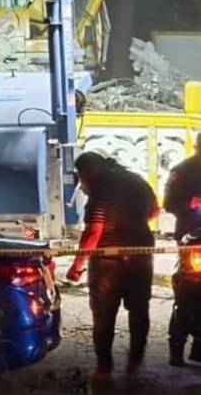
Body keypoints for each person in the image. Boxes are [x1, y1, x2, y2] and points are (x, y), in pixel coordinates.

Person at [65, 152, 158, 384]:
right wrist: (133, 222)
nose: (82, 184)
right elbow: (155, 211)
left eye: (81, 178)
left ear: (87, 173)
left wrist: (77, 266)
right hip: (141, 256)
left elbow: (94, 231)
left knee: (104, 315)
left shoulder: (101, 189)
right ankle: (135, 362)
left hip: (108, 263)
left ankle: (104, 369)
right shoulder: (136, 180)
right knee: (139, 310)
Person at [164, 132, 201, 366]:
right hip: (192, 242)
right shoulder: (183, 171)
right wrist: (191, 204)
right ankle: (176, 349)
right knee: (187, 294)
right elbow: (168, 204)